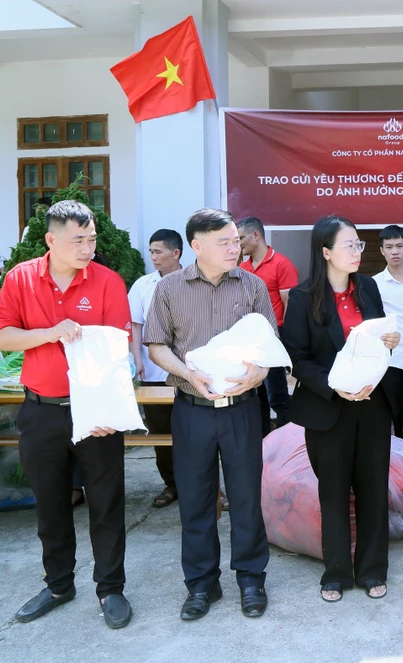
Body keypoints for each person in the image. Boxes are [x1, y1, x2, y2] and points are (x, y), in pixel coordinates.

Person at [0, 200, 133, 628]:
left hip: (95, 414)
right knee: (50, 505)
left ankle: (111, 589)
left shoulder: (107, 282)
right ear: (51, 240)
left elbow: (117, 354)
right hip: (42, 412)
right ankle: (58, 584)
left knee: (106, 505)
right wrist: (50, 333)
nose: (88, 247)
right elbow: (0, 338)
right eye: (78, 240)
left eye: (91, 238)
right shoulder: (20, 278)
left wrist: (110, 409)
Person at [144, 208, 277, 620]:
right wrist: (187, 372)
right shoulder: (169, 289)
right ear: (197, 246)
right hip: (192, 409)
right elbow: (156, 345)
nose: (235, 247)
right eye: (225, 242)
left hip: (242, 410)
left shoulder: (253, 285)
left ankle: (251, 579)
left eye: (237, 240)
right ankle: (201, 585)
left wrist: (257, 374)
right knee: (197, 499)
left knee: (245, 496)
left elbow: (269, 344)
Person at [281, 216, 399, 602]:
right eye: (349, 245)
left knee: (372, 491)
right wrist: (336, 387)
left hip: (371, 404)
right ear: (326, 251)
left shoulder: (368, 289)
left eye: (358, 245)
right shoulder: (302, 297)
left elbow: (379, 343)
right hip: (329, 409)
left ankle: (371, 570)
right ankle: (336, 572)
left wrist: (390, 341)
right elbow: (296, 357)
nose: (356, 252)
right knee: (332, 493)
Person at [128, 229, 184, 508]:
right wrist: (137, 359)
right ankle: (171, 485)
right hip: (153, 373)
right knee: (161, 434)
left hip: (189, 375)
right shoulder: (142, 285)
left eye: (158, 251)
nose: (153, 257)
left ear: (176, 253)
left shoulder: (194, 281)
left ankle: (210, 489)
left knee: (196, 434)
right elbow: (135, 325)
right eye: (151, 251)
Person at [238, 216, 299, 434]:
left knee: (278, 397)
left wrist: (288, 343)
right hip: (249, 340)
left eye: (241, 238)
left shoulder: (282, 264)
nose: (238, 244)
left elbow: (290, 306)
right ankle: (263, 447)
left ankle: (286, 444)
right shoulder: (241, 268)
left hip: (274, 336)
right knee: (257, 397)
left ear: (256, 235)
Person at [373, 225, 403, 443]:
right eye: (390, 247)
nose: (395, 251)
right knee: (394, 414)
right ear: (382, 250)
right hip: (391, 359)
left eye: (399, 246)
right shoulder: (374, 284)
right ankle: (396, 462)